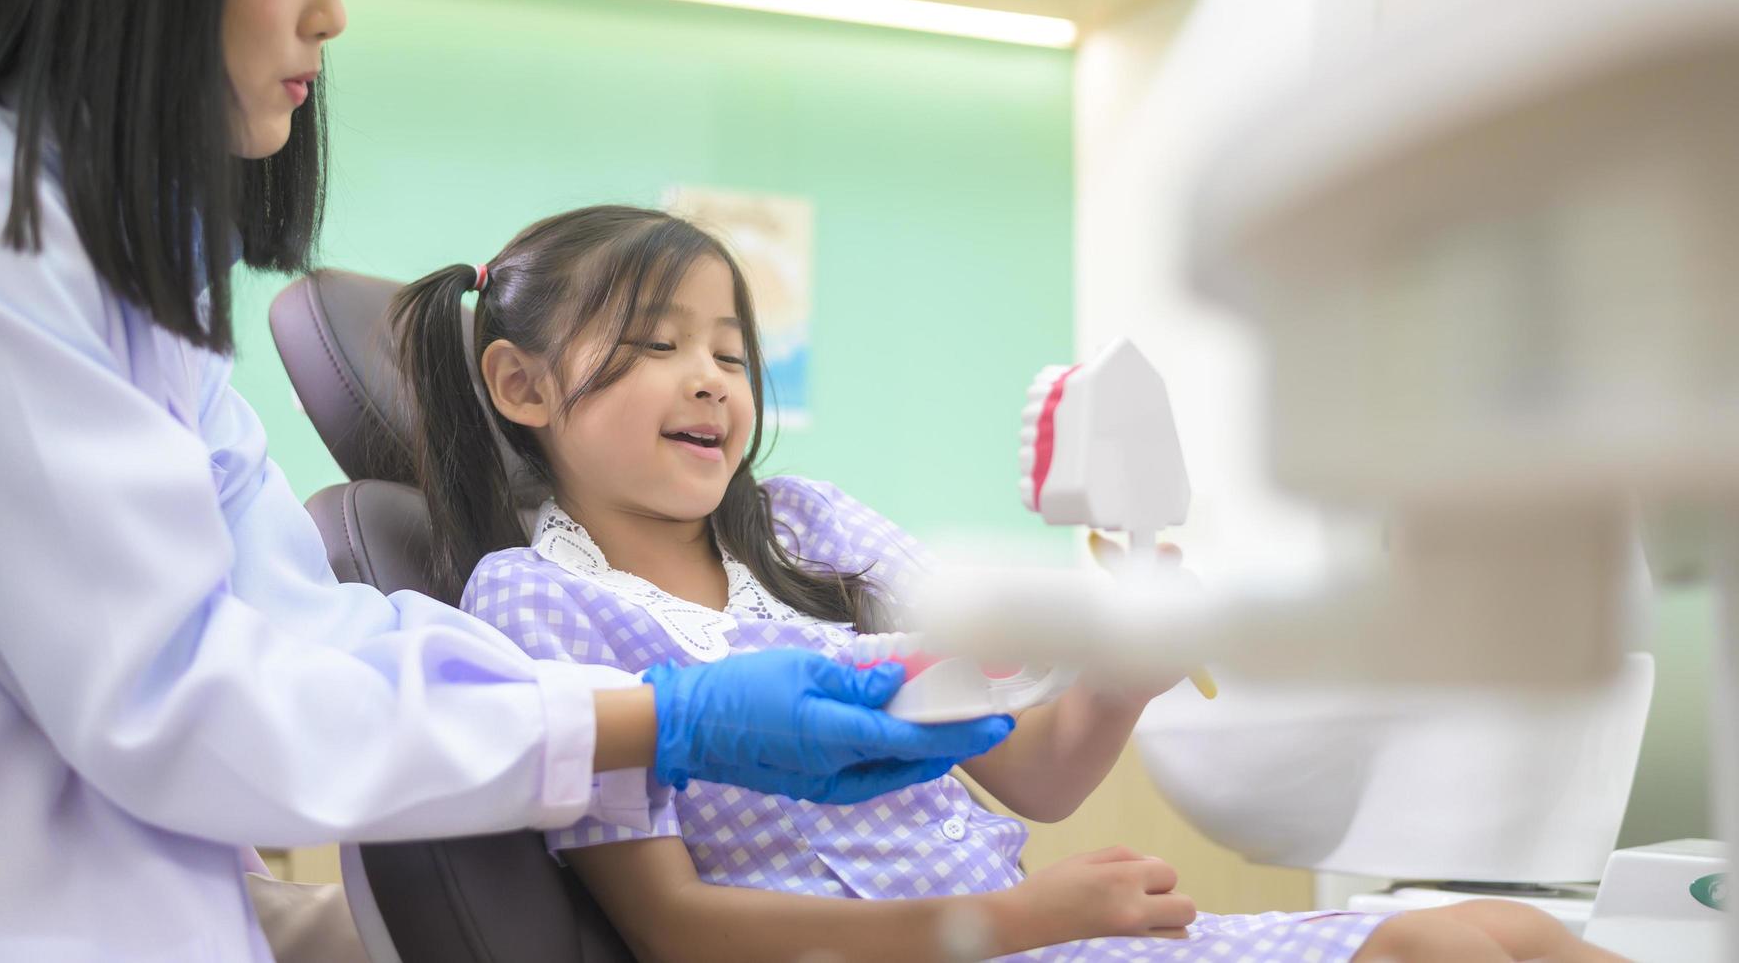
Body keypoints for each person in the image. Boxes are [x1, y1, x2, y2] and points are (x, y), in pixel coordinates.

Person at [0, 0, 1009, 959]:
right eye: (654, 343)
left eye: (731, 354)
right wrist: (668, 718)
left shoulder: (133, 274)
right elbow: (185, 700)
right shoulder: (21, 261)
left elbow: (295, 634)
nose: (332, 13)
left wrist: (650, 714)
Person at [396, 203, 1631, 963]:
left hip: (1020, 933)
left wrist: (1117, 680)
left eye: (729, 348)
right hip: (951, 949)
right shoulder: (536, 600)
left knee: (1511, 931)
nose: (713, 378)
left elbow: (1030, 771)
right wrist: (1033, 920)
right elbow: (676, 931)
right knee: (1437, 948)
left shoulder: (804, 528)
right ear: (521, 386)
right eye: (659, 344)